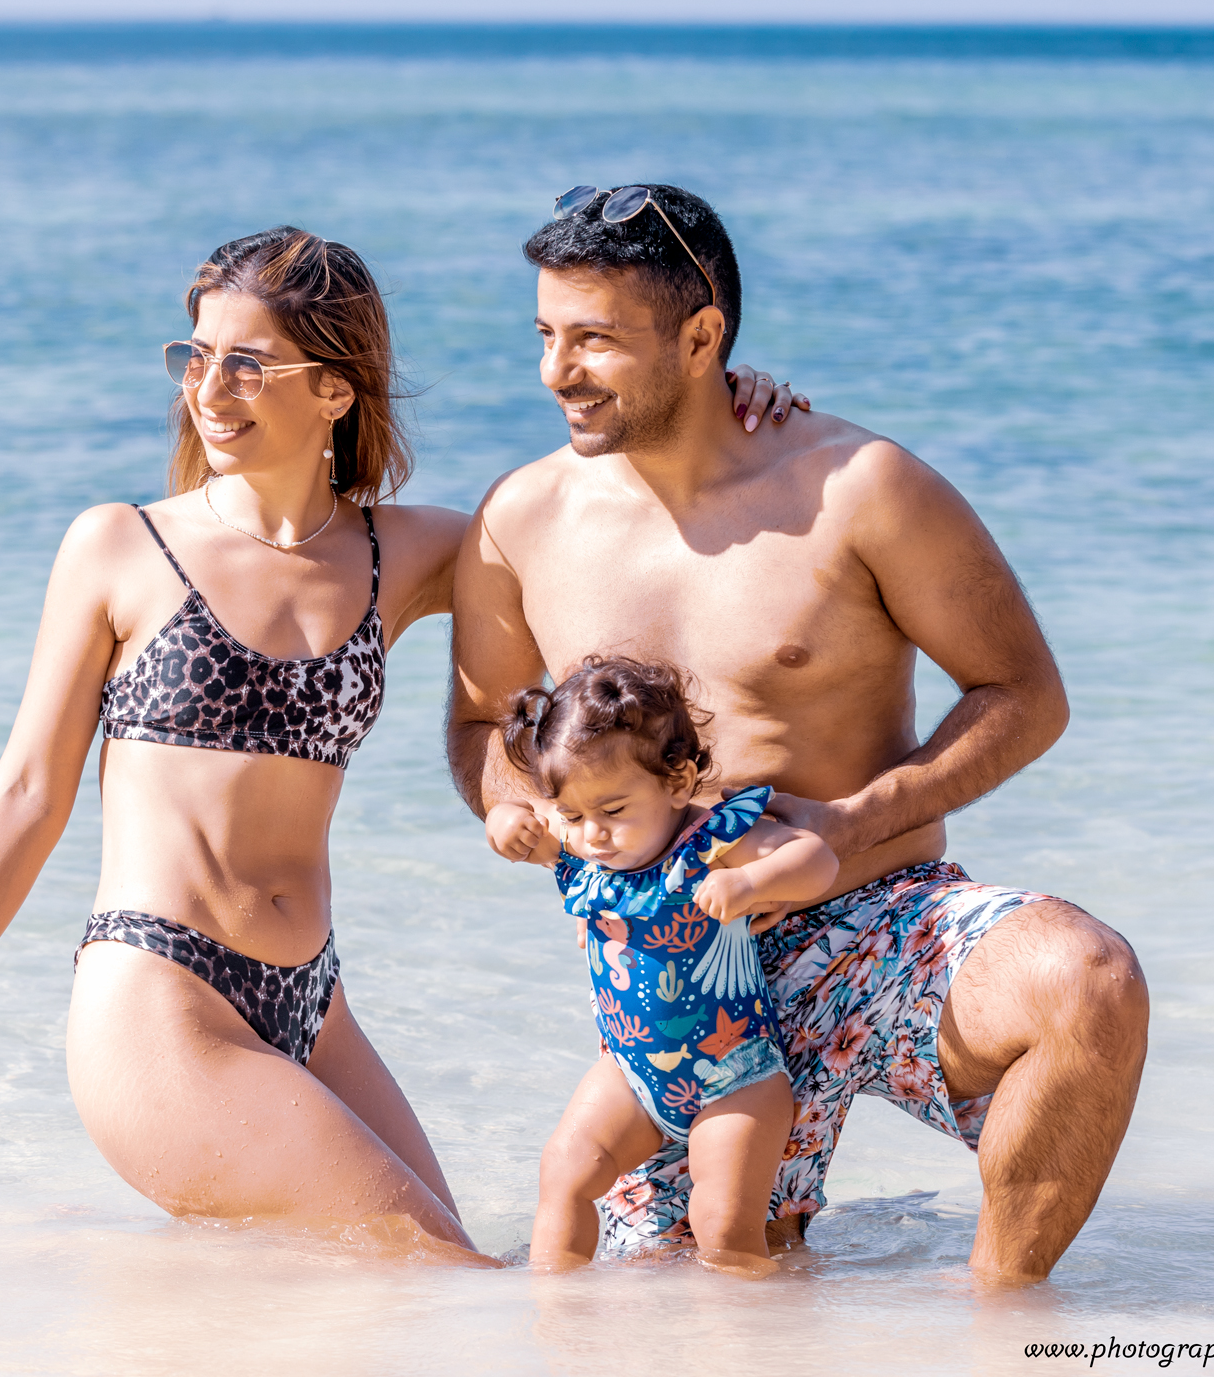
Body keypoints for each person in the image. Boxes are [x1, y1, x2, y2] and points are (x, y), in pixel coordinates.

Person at [0, 220, 815, 1252]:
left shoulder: (403, 551)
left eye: (246, 363)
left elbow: (602, 507)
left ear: (334, 389)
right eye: (196, 356)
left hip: (313, 1005)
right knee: (445, 1278)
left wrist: (718, 394)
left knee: (448, 1272)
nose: (209, 387)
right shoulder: (121, 545)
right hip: (159, 993)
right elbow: (25, 791)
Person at [447, 183, 1150, 1284]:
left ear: (700, 337)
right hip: (677, 981)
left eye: (593, 339)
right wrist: (512, 801)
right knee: (679, 1306)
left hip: (878, 917)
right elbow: (486, 719)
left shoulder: (860, 487)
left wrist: (849, 819)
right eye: (544, 333)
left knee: (1087, 977)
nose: (555, 370)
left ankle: (1005, 1325)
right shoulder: (518, 520)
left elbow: (1023, 692)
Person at [483, 656, 838, 1272]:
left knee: (722, 1223)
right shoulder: (585, 850)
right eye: (574, 816)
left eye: (614, 812)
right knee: (564, 1172)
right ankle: (553, 1311)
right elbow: (519, 824)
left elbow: (816, 858)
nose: (592, 834)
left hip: (737, 1076)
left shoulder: (708, 843)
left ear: (676, 783)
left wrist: (751, 882)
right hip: (632, 1073)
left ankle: (744, 1338)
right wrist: (503, 820)